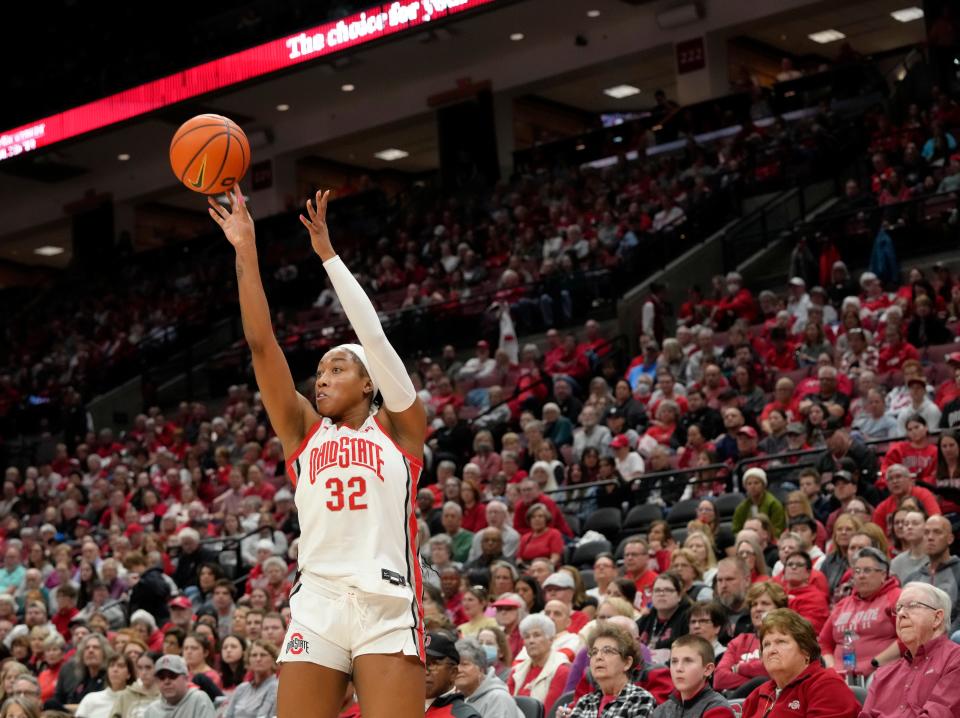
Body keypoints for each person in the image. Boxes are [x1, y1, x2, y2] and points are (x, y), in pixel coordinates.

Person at [209, 186, 427, 718]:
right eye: (321, 369)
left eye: (337, 368)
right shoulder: (304, 431)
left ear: (369, 383)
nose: (321, 378)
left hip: (388, 604)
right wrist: (245, 251)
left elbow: (374, 338)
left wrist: (327, 255)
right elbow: (262, 345)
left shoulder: (401, 429)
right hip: (318, 604)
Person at [860, 582, 960, 717]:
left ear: (937, 618)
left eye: (912, 606)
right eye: (898, 608)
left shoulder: (955, 660)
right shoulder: (883, 674)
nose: (901, 614)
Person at [739, 609, 860, 718]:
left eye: (781, 642)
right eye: (766, 644)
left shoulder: (826, 685)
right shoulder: (758, 694)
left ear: (806, 650)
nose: (771, 650)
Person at [818, 547, 900, 680]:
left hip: (881, 671)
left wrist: (876, 663)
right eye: (857, 571)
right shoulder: (843, 605)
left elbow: (908, 639)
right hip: (839, 675)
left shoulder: (896, 598)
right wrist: (832, 668)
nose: (861, 575)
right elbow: (824, 642)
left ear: (883, 574)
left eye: (867, 570)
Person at [566, 624, 656, 718]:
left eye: (608, 651)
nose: (598, 657)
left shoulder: (640, 699)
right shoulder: (585, 702)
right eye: (594, 652)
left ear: (627, 663)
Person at [714, 582, 787, 692]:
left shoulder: (786, 639)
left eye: (765, 603)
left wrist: (739, 668)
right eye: (754, 604)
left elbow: (776, 670)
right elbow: (719, 679)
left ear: (780, 610)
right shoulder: (739, 641)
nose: (758, 608)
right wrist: (758, 681)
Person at [651, 635, 733, 718]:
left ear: (708, 669)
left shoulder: (718, 709)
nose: (679, 668)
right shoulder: (661, 711)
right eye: (674, 661)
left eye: (688, 661)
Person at [506, 615, 570, 716]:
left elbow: (549, 713)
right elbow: (506, 707)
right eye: (527, 637)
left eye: (537, 635)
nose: (531, 641)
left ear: (551, 639)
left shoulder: (561, 670)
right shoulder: (516, 671)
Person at [904, 515, 960, 628]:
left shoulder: (958, 571)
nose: (930, 537)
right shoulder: (912, 579)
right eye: (926, 532)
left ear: (950, 539)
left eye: (937, 532)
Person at [454, 638, 523, 718]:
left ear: (481, 669)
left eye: (464, 664)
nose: (458, 670)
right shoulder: (459, 699)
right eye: (455, 665)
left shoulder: (498, 698)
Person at [424, 633, 481, 718]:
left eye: (433, 664)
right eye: (421, 664)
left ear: (453, 673)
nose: (425, 672)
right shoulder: (403, 706)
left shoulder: (466, 716)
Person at [143, 655, 215, 718]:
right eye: (162, 677)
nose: (167, 681)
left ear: (186, 678)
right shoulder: (152, 710)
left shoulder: (198, 699)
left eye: (172, 676)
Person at [223, 640, 279, 718]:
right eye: (254, 655)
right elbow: (227, 715)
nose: (258, 659)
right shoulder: (241, 688)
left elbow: (263, 716)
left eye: (263, 655)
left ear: (273, 659)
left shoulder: (276, 687)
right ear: (248, 660)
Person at [732, 469, 785, 537]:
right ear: (745, 487)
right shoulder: (741, 508)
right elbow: (736, 530)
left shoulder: (774, 504)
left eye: (756, 483)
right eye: (749, 484)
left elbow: (778, 529)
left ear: (763, 485)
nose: (752, 486)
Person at [109, 651, 160, 718]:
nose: (143, 672)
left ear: (158, 669)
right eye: (140, 668)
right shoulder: (125, 695)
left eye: (148, 667)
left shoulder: (165, 697)